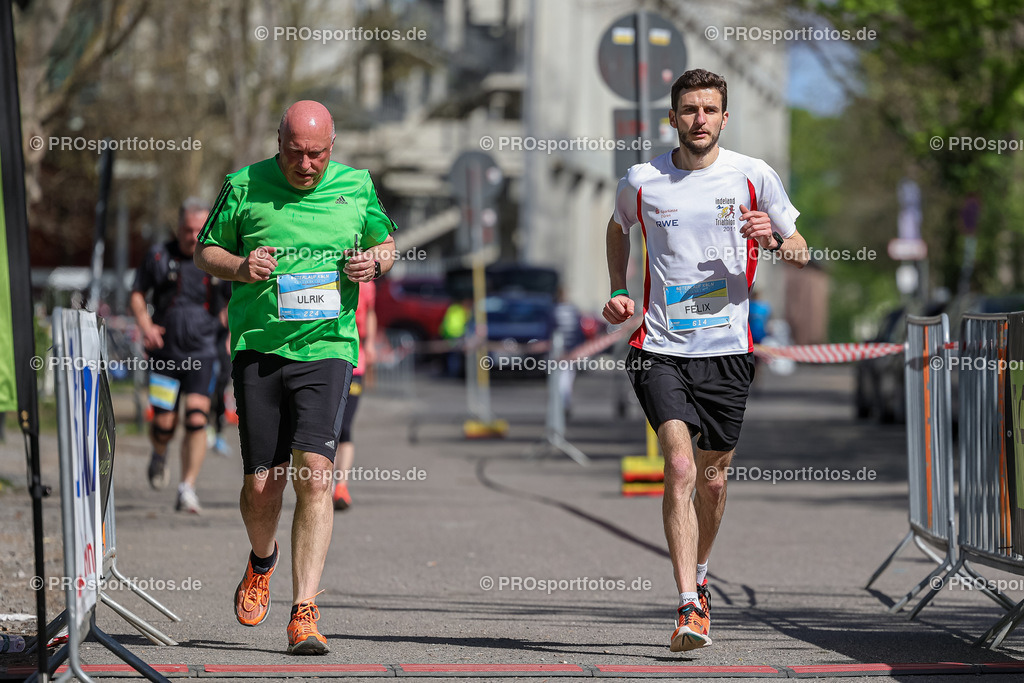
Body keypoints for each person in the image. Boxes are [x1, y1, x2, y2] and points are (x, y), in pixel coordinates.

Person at [603, 69, 808, 652]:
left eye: (710, 109)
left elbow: (801, 251)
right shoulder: (644, 180)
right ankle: (688, 606)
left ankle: (701, 573)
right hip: (659, 349)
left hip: (728, 353)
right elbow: (618, 226)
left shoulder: (752, 176)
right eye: (689, 109)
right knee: (682, 469)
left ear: (724, 117)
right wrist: (618, 286)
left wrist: (773, 237)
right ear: (673, 117)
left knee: (713, 480)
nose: (699, 119)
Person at [194, 100, 397, 655]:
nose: (305, 165)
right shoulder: (243, 185)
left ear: (332, 147)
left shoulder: (357, 186)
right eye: (294, 154)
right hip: (259, 349)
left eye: (316, 155)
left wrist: (374, 263)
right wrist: (238, 266)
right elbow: (203, 249)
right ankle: (262, 559)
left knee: (315, 472)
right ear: (277, 143)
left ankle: (304, 610)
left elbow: (387, 244)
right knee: (264, 482)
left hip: (326, 348)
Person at [130, 197, 229, 513]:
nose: (194, 236)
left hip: (204, 351)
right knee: (163, 425)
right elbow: (136, 293)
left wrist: (229, 331)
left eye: (200, 230)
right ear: (178, 228)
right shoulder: (159, 255)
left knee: (197, 418)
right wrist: (146, 325)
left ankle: (187, 488)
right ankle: (159, 453)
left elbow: (233, 300)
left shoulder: (218, 258)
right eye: (188, 230)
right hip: (165, 354)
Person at [331, 279, 377, 510]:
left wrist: (370, 344)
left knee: (346, 427)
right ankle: (322, 484)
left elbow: (370, 312)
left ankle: (341, 486)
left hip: (357, 362)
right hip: (330, 359)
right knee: (330, 428)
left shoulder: (368, 281)